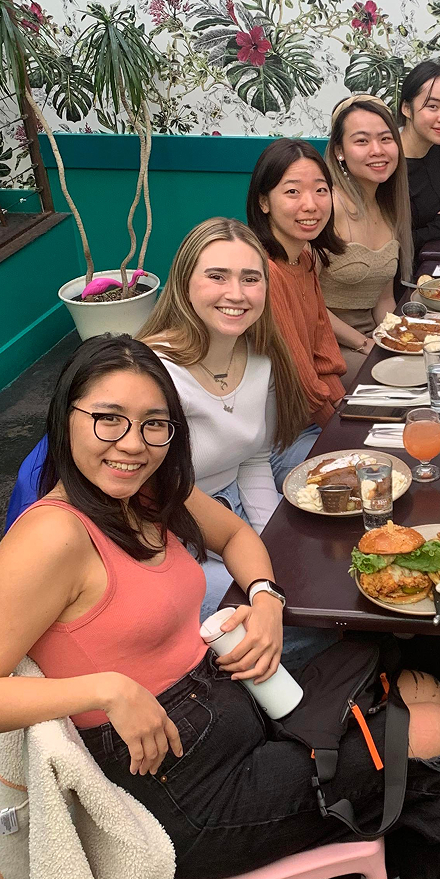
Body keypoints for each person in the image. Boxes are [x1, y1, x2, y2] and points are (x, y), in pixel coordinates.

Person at [0, 335, 440, 879]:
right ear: (66, 416)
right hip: (185, 798)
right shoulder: (52, 537)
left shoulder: (145, 494)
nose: (131, 443)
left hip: (231, 707)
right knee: (437, 734)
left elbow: (235, 537)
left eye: (153, 424)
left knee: (409, 681)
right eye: (107, 418)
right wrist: (109, 689)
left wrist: (264, 601)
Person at [135, 221, 327, 655]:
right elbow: (145, 494)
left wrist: (272, 543)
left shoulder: (261, 359)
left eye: (250, 278)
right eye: (217, 276)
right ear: (185, 284)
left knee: (317, 593)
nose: (236, 293)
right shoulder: (150, 372)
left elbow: (254, 461)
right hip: (168, 533)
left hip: (233, 515)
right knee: (285, 625)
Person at [245, 137, 349, 463]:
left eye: (320, 190)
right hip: (275, 441)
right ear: (264, 202)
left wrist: (347, 414)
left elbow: (324, 358)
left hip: (312, 424)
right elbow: (302, 381)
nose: (311, 204)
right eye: (292, 192)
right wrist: (344, 433)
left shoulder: (302, 259)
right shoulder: (264, 271)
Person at [321, 95, 414, 386]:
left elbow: (384, 299)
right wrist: (365, 345)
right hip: (325, 345)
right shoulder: (327, 206)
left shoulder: (388, 206)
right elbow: (305, 304)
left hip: (370, 338)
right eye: (362, 141)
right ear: (340, 151)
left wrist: (402, 339)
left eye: (386, 139)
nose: (378, 150)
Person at [398, 60, 440, 250]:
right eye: (433, 107)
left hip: (439, 257)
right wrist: (438, 228)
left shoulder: (437, 144)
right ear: (406, 109)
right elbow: (389, 246)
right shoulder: (387, 163)